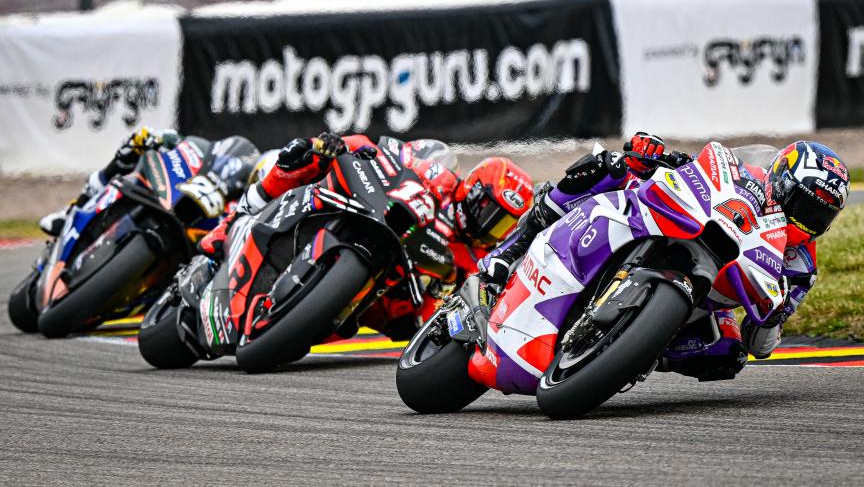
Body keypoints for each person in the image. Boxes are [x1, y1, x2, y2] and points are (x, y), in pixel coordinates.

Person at [478, 133, 849, 381]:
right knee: (611, 166)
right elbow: (698, 169)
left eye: (818, 216)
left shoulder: (801, 266)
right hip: (673, 225)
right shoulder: (746, 175)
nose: (805, 220)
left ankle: (637, 352)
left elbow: (760, 346)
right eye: (802, 204)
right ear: (779, 180)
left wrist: (775, 316)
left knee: (728, 354)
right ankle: (516, 245)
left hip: (708, 298)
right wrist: (655, 155)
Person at [199, 131, 534, 340]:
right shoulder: (442, 179)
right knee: (301, 156)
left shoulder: (475, 259)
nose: (489, 226)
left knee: (404, 326)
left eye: (502, 224)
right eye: (489, 212)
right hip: (369, 209)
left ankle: (304, 316)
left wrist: (443, 295)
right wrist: (340, 145)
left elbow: (449, 308)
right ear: (472, 190)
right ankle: (233, 220)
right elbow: (391, 152)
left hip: (388, 295)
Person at [39, 126, 181, 236]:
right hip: (172, 178)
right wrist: (162, 137)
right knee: (140, 141)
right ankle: (74, 211)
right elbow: (182, 141)